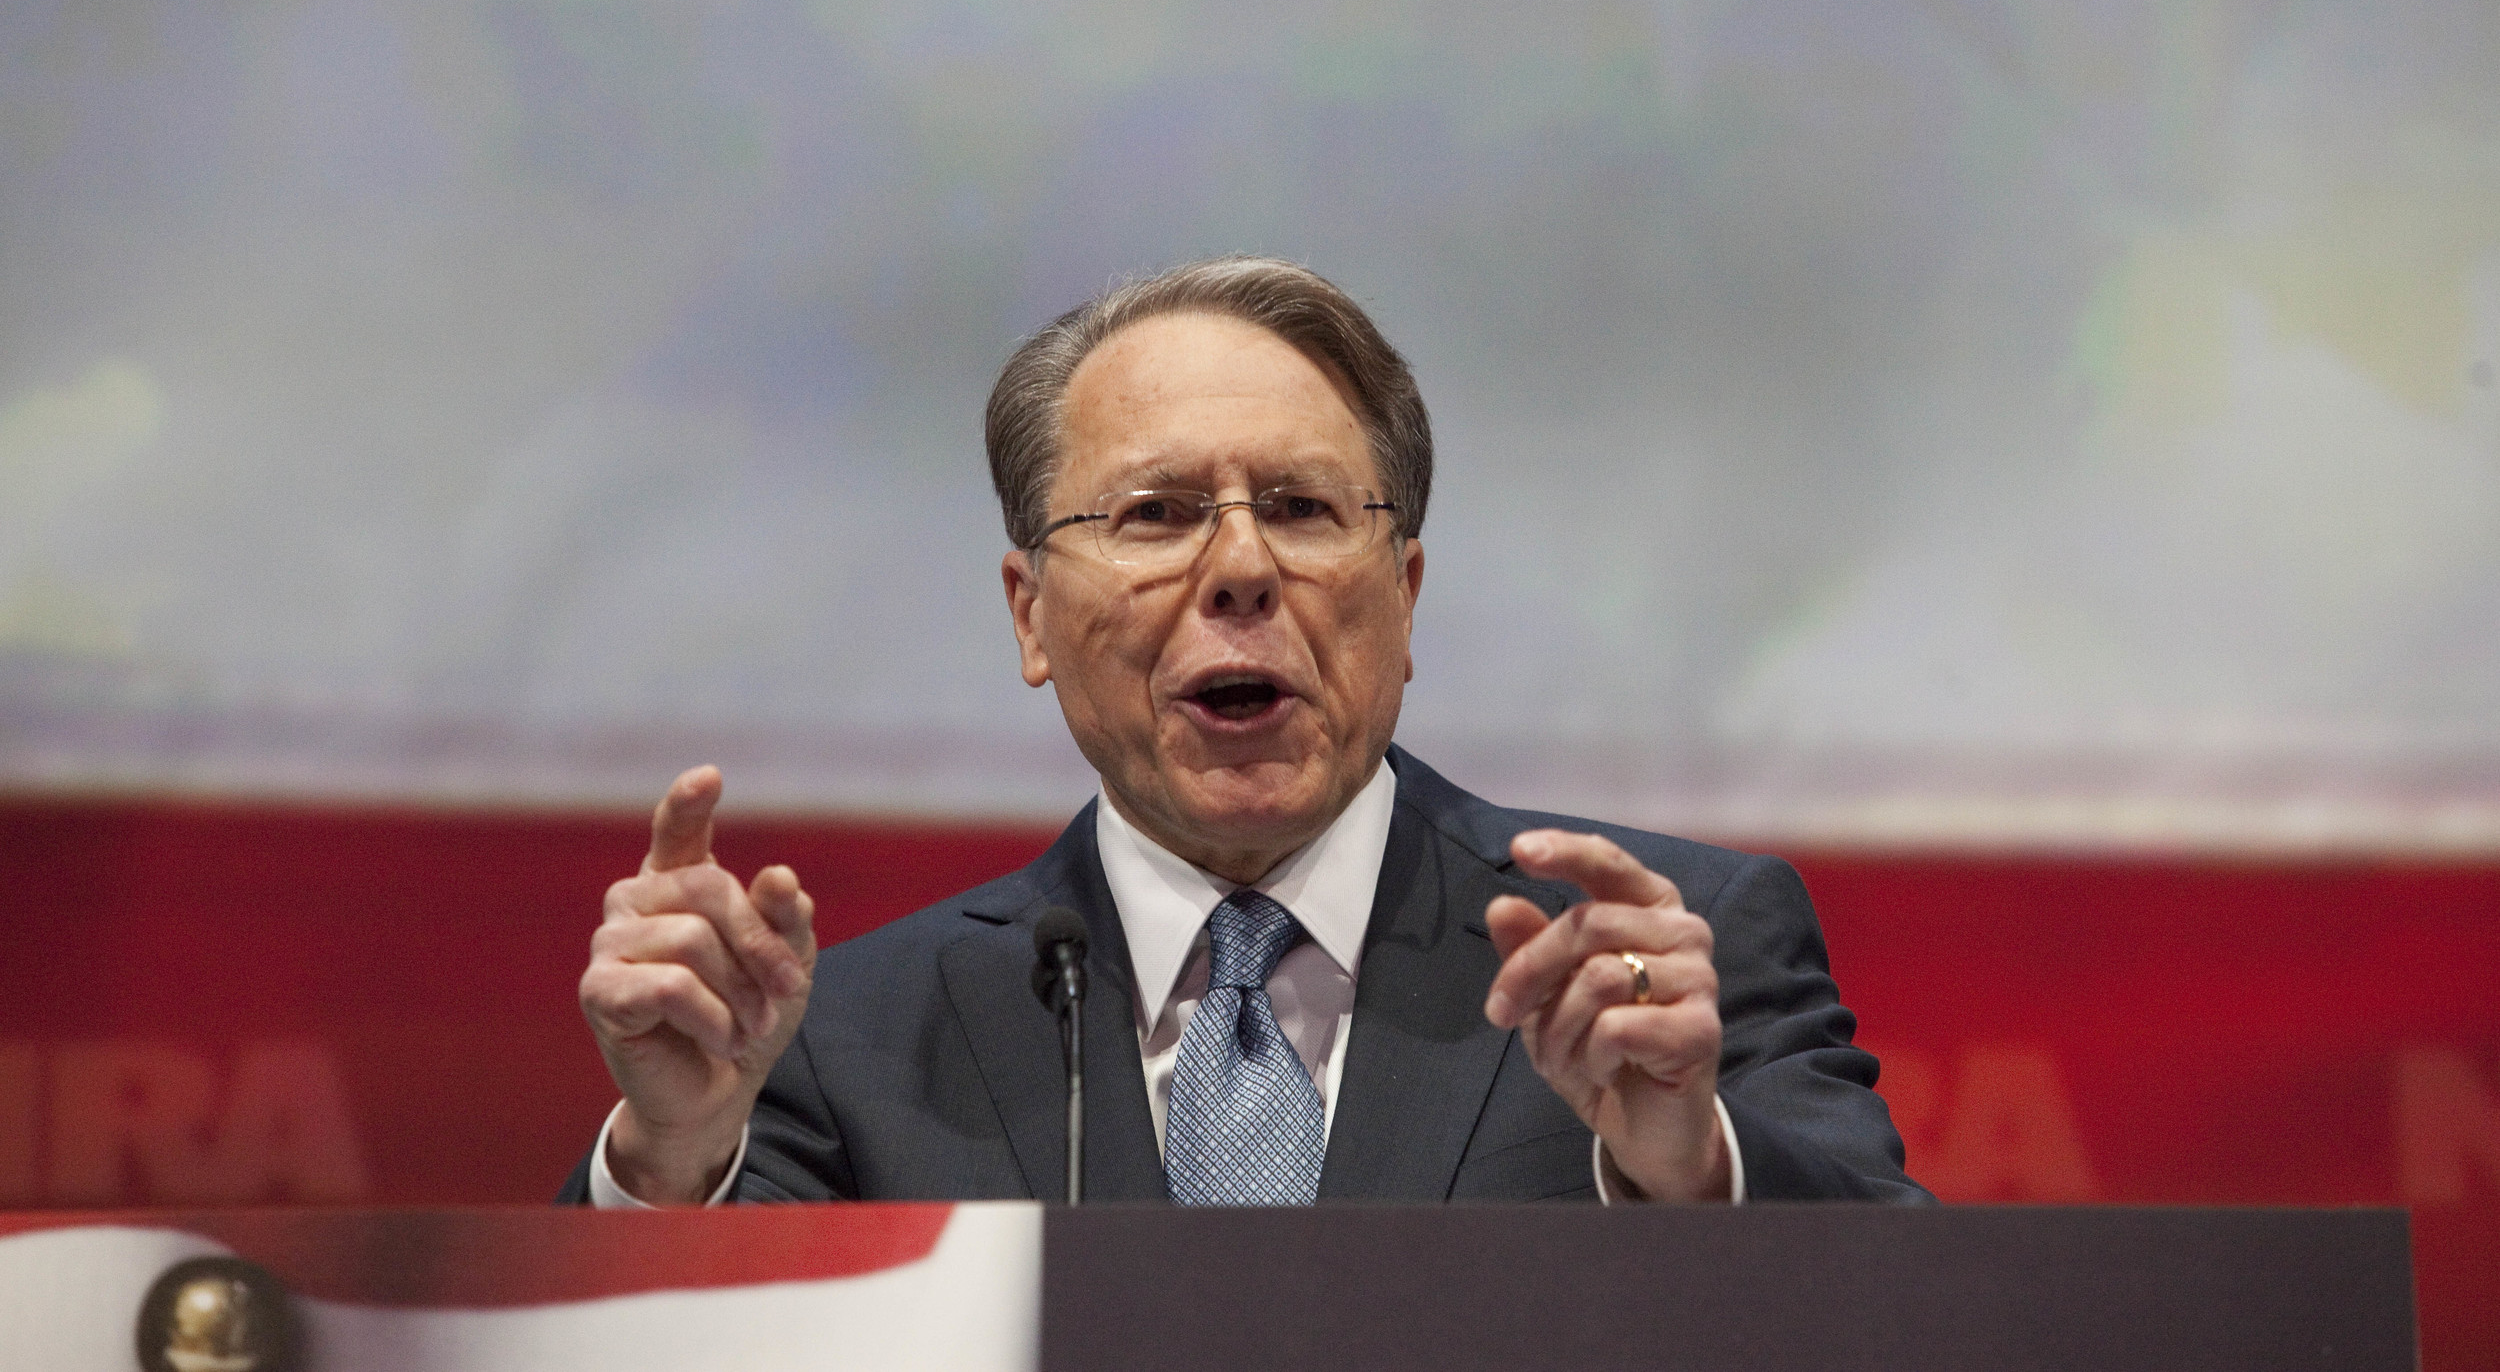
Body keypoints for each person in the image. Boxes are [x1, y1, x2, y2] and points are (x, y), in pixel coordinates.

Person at [565, 256, 1926, 1207]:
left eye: (1304, 507)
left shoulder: (1652, 964)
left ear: (1402, 598)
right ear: (1030, 614)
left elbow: (1919, 1326)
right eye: (1155, 514)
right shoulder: (849, 1041)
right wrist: (674, 1158)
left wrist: (1691, 1168)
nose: (1240, 567)